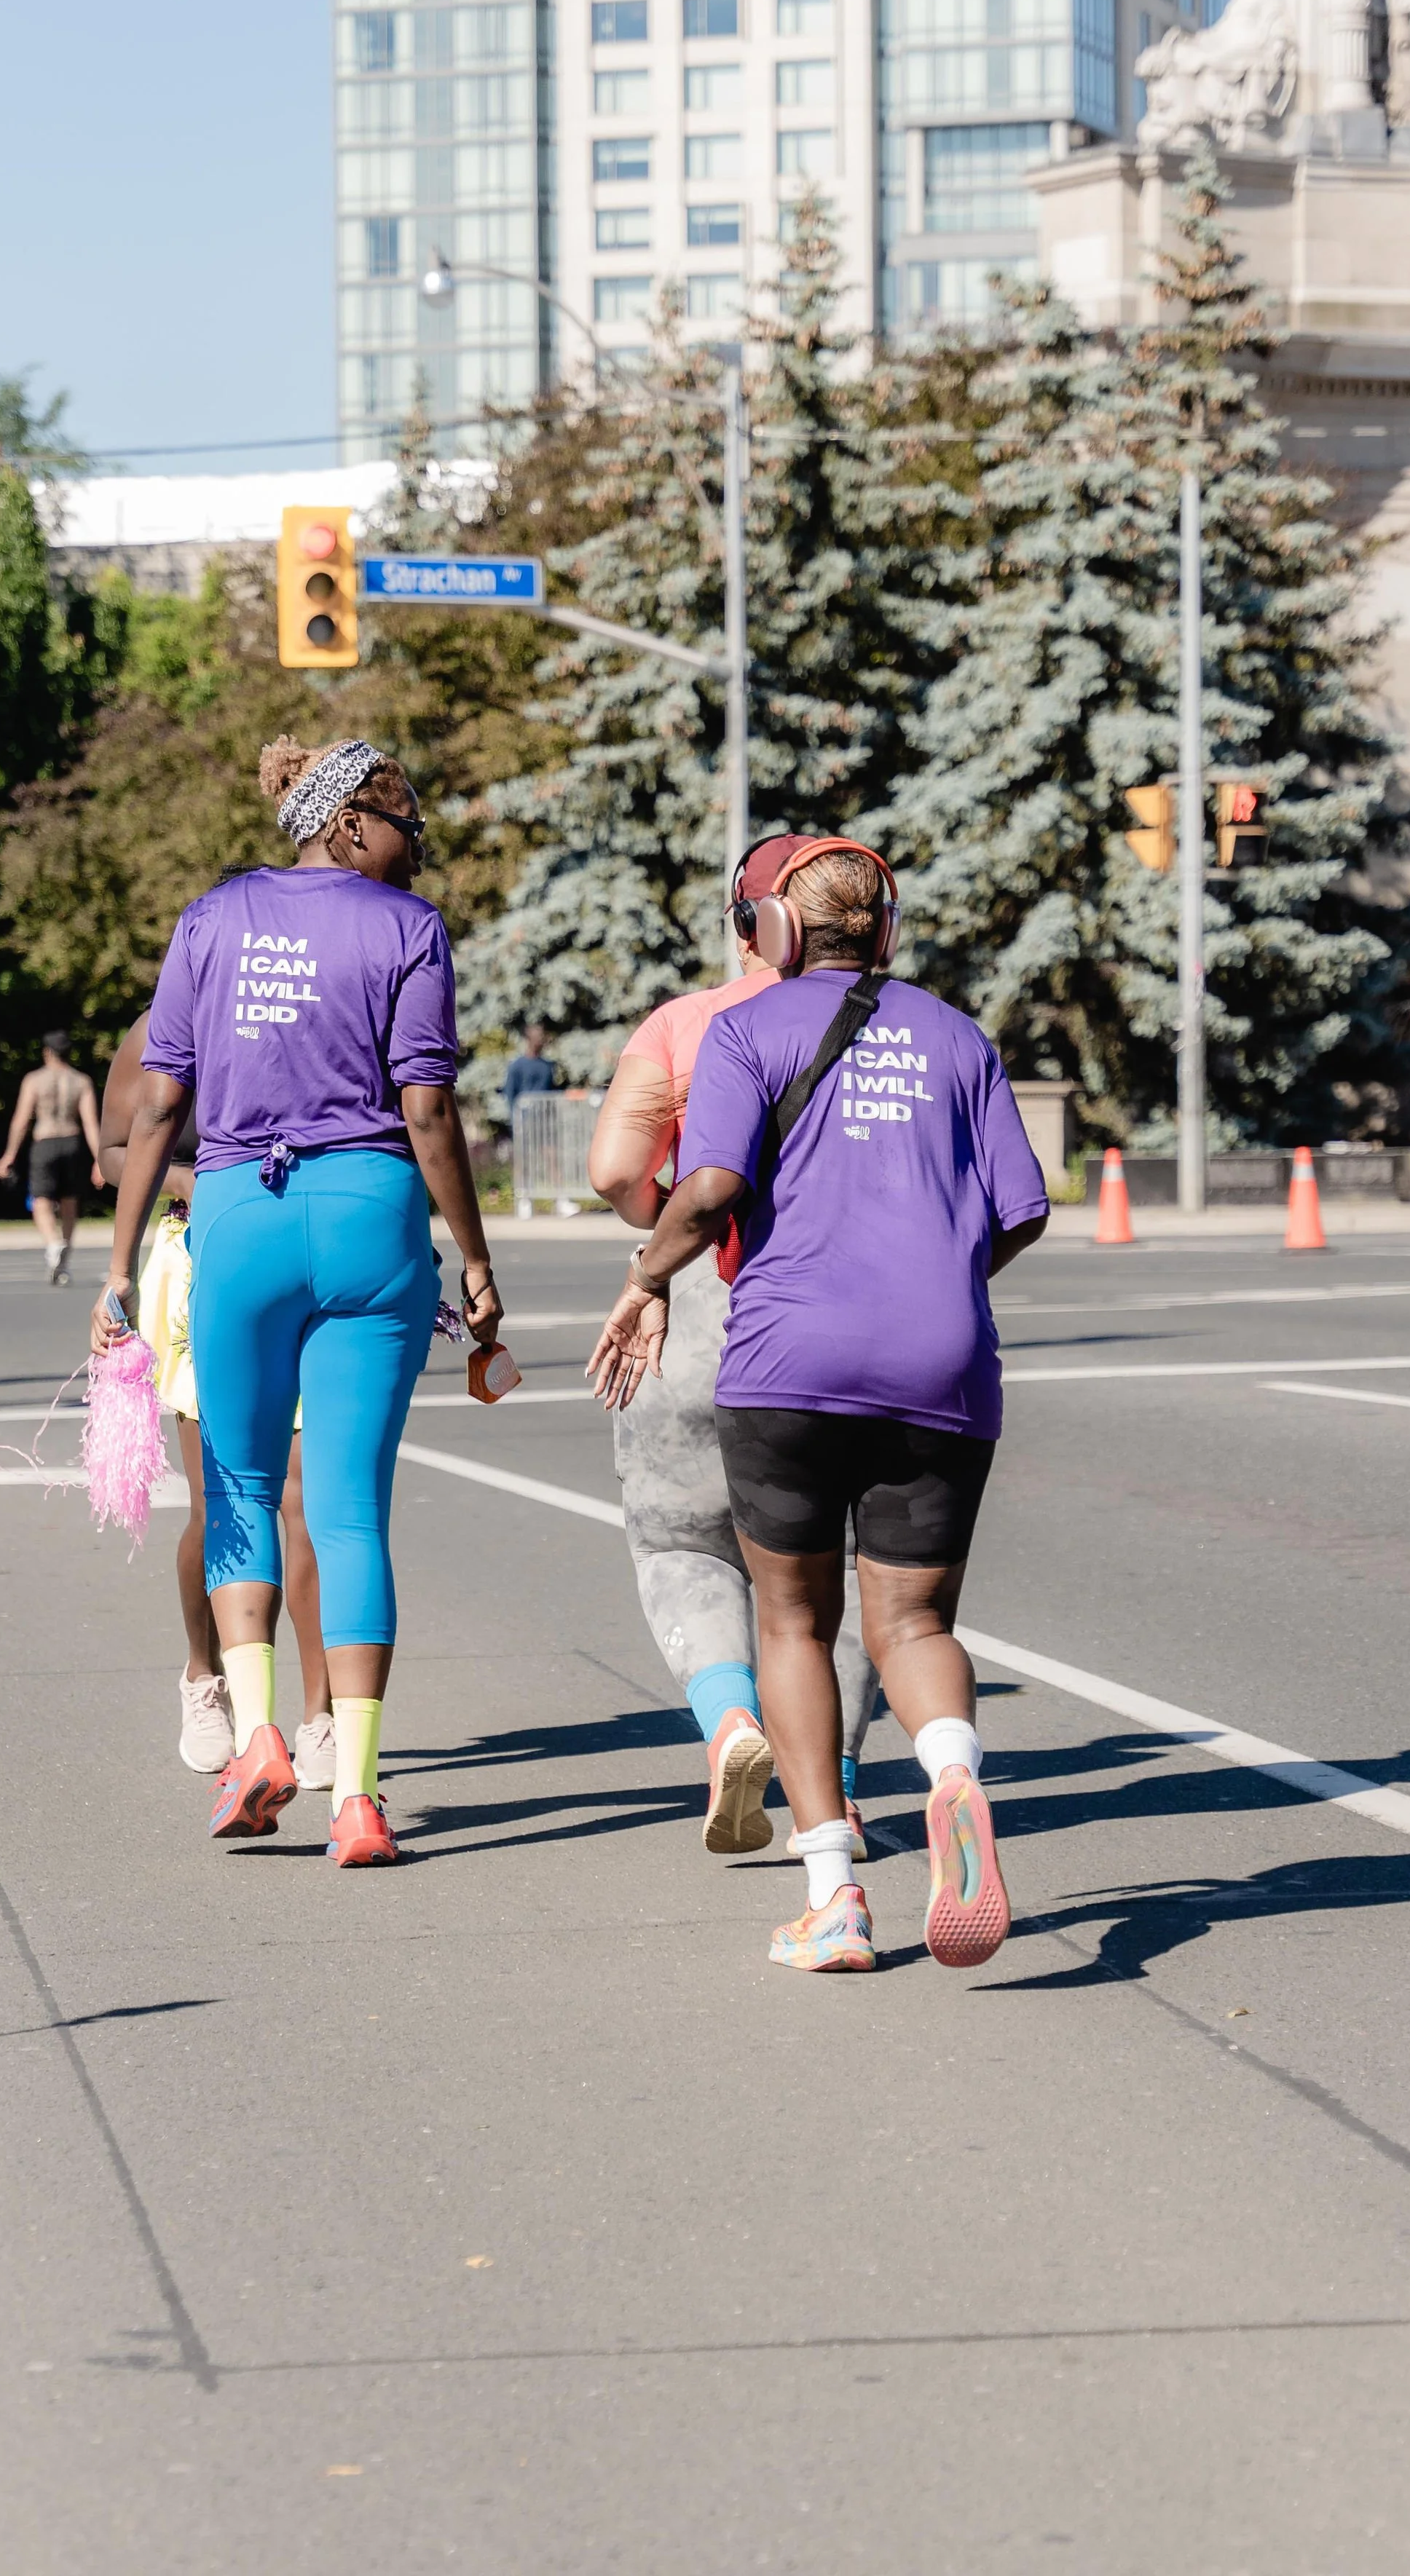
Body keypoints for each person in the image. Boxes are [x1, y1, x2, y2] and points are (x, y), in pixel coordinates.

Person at [588, 839, 1048, 1974]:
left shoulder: (747, 1029)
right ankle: (951, 1776)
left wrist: (646, 1279)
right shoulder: (956, 1034)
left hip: (789, 1360)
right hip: (943, 1365)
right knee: (916, 1627)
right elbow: (1024, 1208)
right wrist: (940, 1279)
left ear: (775, 936)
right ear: (885, 930)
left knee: (794, 1623)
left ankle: (834, 1897)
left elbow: (711, 1188)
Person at [91, 735, 502, 1868]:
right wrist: (471, 1256)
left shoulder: (212, 920)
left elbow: (160, 1104)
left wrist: (122, 1266)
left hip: (239, 1220)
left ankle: (260, 1738)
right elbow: (427, 1110)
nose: (418, 852)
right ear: (351, 823)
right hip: (371, 1217)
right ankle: (358, 1797)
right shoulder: (408, 931)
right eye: (409, 828)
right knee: (351, 1516)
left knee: (239, 1487)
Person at [587, 834, 881, 1862]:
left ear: (751, 926)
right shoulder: (894, 1022)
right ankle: (832, 1790)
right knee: (833, 1563)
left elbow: (615, 1168)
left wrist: (660, 1244)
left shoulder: (682, 1025)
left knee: (680, 1541)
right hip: (848, 1304)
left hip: (703, 1295)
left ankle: (730, 1722)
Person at [98, 1018, 335, 1790]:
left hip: (307, 1254)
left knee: (309, 1503)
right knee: (226, 1506)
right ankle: (206, 1679)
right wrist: (182, 1179)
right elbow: (110, 1151)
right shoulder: (159, 1029)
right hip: (199, 1263)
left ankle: (320, 1717)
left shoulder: (311, 1002)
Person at [0, 1030, 102, 1284]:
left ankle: (54, 1244)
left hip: (45, 1142)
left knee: (41, 1200)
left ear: (47, 1052)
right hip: (72, 1142)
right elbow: (90, 1123)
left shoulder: (34, 1080)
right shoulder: (81, 1081)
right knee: (69, 1202)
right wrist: (99, 1160)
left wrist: (9, 1154)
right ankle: (63, 1258)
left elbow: (22, 1120)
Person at [503, 1023, 559, 1110]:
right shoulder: (517, 1066)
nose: (541, 1040)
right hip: (525, 1119)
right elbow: (510, 1094)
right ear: (529, 1039)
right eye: (537, 1037)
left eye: (542, 1037)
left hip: (544, 1119)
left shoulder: (547, 1067)